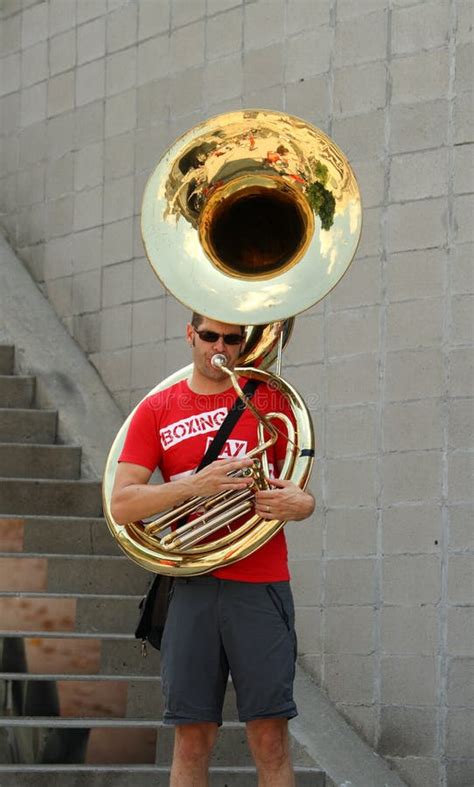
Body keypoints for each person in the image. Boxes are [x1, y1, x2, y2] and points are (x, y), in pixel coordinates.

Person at [111, 312, 315, 787]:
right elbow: (122, 504)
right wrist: (196, 486)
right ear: (190, 335)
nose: (219, 347)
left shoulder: (268, 401)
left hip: (261, 584)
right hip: (192, 585)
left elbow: (297, 490)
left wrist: (302, 504)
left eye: (231, 338)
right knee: (192, 739)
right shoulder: (158, 407)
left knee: (270, 739)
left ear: (245, 343)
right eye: (209, 336)